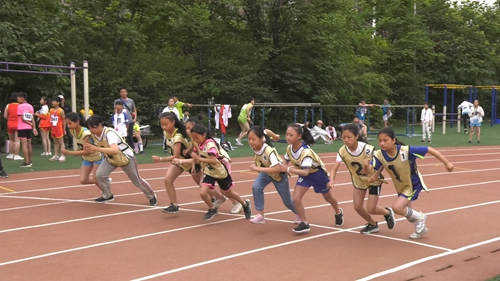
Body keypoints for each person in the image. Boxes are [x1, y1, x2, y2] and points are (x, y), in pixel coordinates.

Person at [367, 127, 454, 239]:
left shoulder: (406, 150)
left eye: (385, 140)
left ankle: (421, 219)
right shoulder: (380, 154)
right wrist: (375, 175)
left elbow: (429, 149)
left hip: (412, 183)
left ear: (393, 140)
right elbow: (382, 164)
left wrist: (446, 163)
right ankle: (420, 227)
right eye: (380, 141)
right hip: (400, 186)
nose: (382, 143)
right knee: (407, 212)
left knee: (397, 208)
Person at [329, 124, 395, 234]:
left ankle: (387, 213)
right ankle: (373, 224)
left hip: (373, 180)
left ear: (356, 136)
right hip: (359, 180)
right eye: (343, 137)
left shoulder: (367, 149)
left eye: (349, 137)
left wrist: (370, 170)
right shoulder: (342, 151)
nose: (346, 140)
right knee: (357, 207)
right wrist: (331, 180)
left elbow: (377, 165)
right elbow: (334, 169)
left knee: (371, 209)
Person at [280, 123, 344, 233]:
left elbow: (305, 172)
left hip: (317, 174)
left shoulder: (306, 152)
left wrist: (287, 169)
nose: (288, 137)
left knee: (328, 198)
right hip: (305, 175)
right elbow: (286, 160)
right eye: (286, 134)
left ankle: (338, 212)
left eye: (291, 135)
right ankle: (304, 223)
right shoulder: (289, 148)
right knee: (296, 198)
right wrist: (282, 166)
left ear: (299, 136)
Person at [180, 124, 252, 220]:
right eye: (193, 138)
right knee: (203, 192)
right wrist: (193, 165)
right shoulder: (196, 143)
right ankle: (212, 208)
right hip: (209, 171)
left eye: (197, 137)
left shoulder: (210, 145)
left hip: (220, 170)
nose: (195, 140)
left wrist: (198, 158)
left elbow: (214, 160)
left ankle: (244, 203)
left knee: (227, 192)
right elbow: (195, 154)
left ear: (204, 135)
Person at [85, 115, 157, 205]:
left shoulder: (109, 133)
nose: (91, 130)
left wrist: (96, 149)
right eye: (89, 128)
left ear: (100, 125)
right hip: (111, 158)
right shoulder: (94, 135)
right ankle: (107, 195)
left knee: (137, 181)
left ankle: (152, 196)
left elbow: (115, 150)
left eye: (92, 128)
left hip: (125, 157)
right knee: (100, 175)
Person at [152, 113, 210, 214]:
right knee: (167, 180)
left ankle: (215, 198)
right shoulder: (166, 133)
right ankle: (173, 205)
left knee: (202, 185)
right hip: (178, 162)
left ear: (173, 122)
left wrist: (160, 159)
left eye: (166, 124)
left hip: (188, 162)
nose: (164, 127)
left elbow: (176, 156)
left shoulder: (177, 136)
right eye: (162, 124)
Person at [247, 126, 299, 224]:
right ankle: (260, 215)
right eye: (249, 139)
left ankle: (299, 214)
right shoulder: (256, 144)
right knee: (256, 187)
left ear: (261, 139)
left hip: (279, 175)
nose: (251, 142)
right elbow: (266, 130)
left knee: (287, 201)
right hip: (267, 173)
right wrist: (275, 135)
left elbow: (277, 168)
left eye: (253, 139)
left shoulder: (268, 150)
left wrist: (257, 168)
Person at [61, 112, 104, 189]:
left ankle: (107, 194)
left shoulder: (85, 133)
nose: (68, 126)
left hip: (96, 156)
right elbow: (80, 143)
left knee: (96, 180)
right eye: (67, 124)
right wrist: (78, 150)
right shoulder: (73, 131)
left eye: (70, 123)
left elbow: (86, 151)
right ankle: (103, 181)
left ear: (77, 122)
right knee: (83, 180)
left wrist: (69, 152)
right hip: (87, 158)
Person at [17, 92, 38, 167]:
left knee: (24, 145)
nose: (17, 99)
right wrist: (34, 127)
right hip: (29, 128)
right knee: (29, 144)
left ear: (22, 98)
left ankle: (27, 162)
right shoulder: (30, 106)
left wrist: (30, 124)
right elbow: (32, 118)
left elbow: (22, 118)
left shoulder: (20, 106)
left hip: (22, 127)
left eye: (18, 98)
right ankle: (30, 160)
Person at [4, 93, 22, 160]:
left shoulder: (8, 105)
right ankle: (16, 155)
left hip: (10, 124)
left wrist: (9, 119)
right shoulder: (20, 105)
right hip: (18, 124)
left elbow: (5, 115)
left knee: (11, 140)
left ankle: (11, 154)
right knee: (17, 140)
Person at [49, 96, 66, 162]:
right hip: (53, 128)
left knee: (61, 142)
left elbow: (64, 120)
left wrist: (64, 129)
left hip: (59, 128)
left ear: (58, 102)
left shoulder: (61, 111)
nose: (52, 102)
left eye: (54, 101)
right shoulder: (51, 110)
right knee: (55, 142)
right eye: (52, 101)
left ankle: (62, 155)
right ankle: (56, 155)